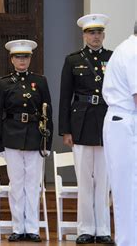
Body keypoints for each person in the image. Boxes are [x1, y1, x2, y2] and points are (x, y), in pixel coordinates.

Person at [59, 14, 114, 244]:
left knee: (103, 182)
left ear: (103, 34)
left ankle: (102, 229)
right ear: (84, 35)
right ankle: (85, 229)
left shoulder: (112, 58)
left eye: (99, 32)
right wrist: (66, 130)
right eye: (91, 32)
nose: (96, 36)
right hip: (80, 124)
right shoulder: (73, 60)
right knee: (84, 180)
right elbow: (65, 97)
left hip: (105, 123)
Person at [0, 40, 53, 242]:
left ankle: (33, 228)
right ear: (12, 59)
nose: (22, 60)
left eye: (26, 57)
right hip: (12, 136)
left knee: (33, 184)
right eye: (18, 57)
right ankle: (18, 227)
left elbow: (48, 112)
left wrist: (48, 142)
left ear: (30, 59)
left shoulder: (40, 81)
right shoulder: (3, 83)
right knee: (16, 185)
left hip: (35, 137)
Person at [102, 24, 137, 246]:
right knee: (128, 189)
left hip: (123, 122)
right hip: (124, 123)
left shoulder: (128, 47)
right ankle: (128, 241)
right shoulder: (133, 51)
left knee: (130, 188)